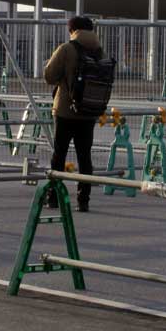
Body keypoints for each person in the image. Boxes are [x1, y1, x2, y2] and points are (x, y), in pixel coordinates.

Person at [44, 16, 102, 213]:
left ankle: (53, 197)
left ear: (73, 30)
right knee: (84, 156)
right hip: (89, 111)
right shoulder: (99, 51)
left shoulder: (66, 49)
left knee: (59, 154)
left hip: (65, 111)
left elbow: (49, 76)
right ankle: (83, 200)